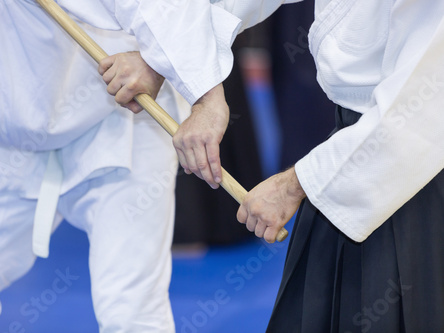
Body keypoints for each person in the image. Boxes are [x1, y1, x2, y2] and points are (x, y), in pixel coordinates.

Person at [0, 0, 296, 332]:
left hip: (119, 126)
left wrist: (203, 96)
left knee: (131, 309)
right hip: (15, 147)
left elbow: (156, 6)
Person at [171, 0, 444, 331]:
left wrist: (292, 186)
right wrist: (166, 60)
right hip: (347, 152)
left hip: (405, 174)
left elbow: (416, 115)